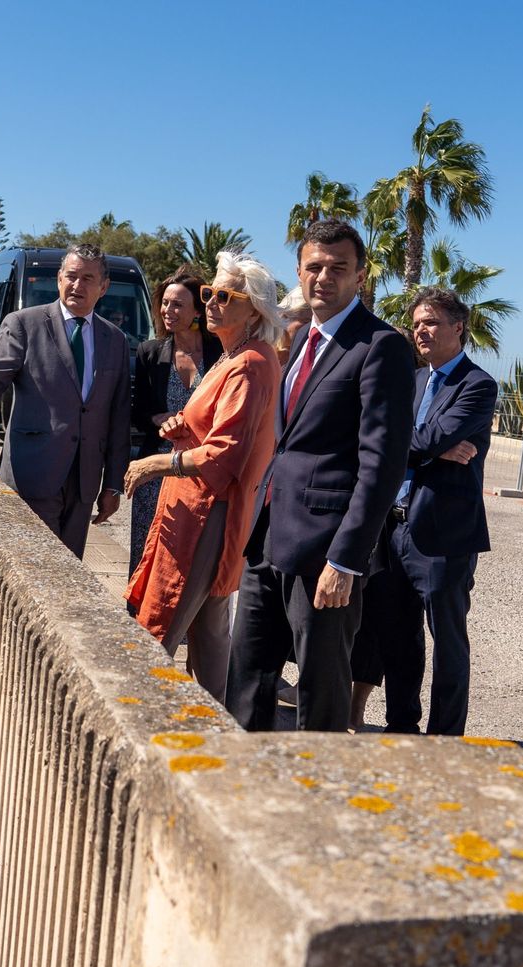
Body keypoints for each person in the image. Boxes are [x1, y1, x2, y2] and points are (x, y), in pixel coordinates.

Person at [227, 219, 415, 732]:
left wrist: (346, 559)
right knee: (247, 677)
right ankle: (244, 772)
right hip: (269, 537)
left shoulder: (380, 346)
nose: (324, 277)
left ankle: (319, 778)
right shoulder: (301, 340)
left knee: (320, 689)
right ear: (299, 271)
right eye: (314, 267)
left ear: (360, 276)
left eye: (338, 268)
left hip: (326, 551)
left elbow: (381, 465)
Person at [123, 251, 282, 702]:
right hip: (202, 508)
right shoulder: (235, 355)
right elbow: (217, 431)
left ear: (255, 311)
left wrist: (154, 463)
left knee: (164, 619)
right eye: (210, 292)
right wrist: (183, 428)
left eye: (225, 296)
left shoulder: (249, 363)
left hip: (205, 513)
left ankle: (142, 715)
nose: (211, 302)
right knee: (209, 632)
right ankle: (217, 722)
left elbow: (226, 452)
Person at [0, 243, 131, 558]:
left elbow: (118, 417)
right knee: (29, 564)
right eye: (71, 276)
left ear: (104, 287)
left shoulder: (115, 340)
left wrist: (113, 484)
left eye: (88, 278)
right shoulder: (24, 324)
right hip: (31, 474)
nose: (77, 285)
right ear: (59, 279)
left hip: (83, 486)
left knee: (68, 571)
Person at [379, 287, 497, 735]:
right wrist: (431, 448)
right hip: (394, 528)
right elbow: (380, 435)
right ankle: (401, 728)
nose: (420, 331)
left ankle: (445, 738)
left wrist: (421, 445)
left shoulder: (477, 384)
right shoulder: (411, 380)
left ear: (458, 327)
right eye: (416, 324)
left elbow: (422, 438)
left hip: (443, 535)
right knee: (398, 637)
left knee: (448, 643)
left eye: (430, 322)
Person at [129, 266, 223, 573]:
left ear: (197, 310)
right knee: (146, 556)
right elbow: (137, 413)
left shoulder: (221, 353)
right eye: (165, 303)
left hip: (202, 470)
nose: (168, 310)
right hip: (155, 473)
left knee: (193, 562)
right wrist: (158, 419)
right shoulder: (150, 353)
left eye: (178, 304)